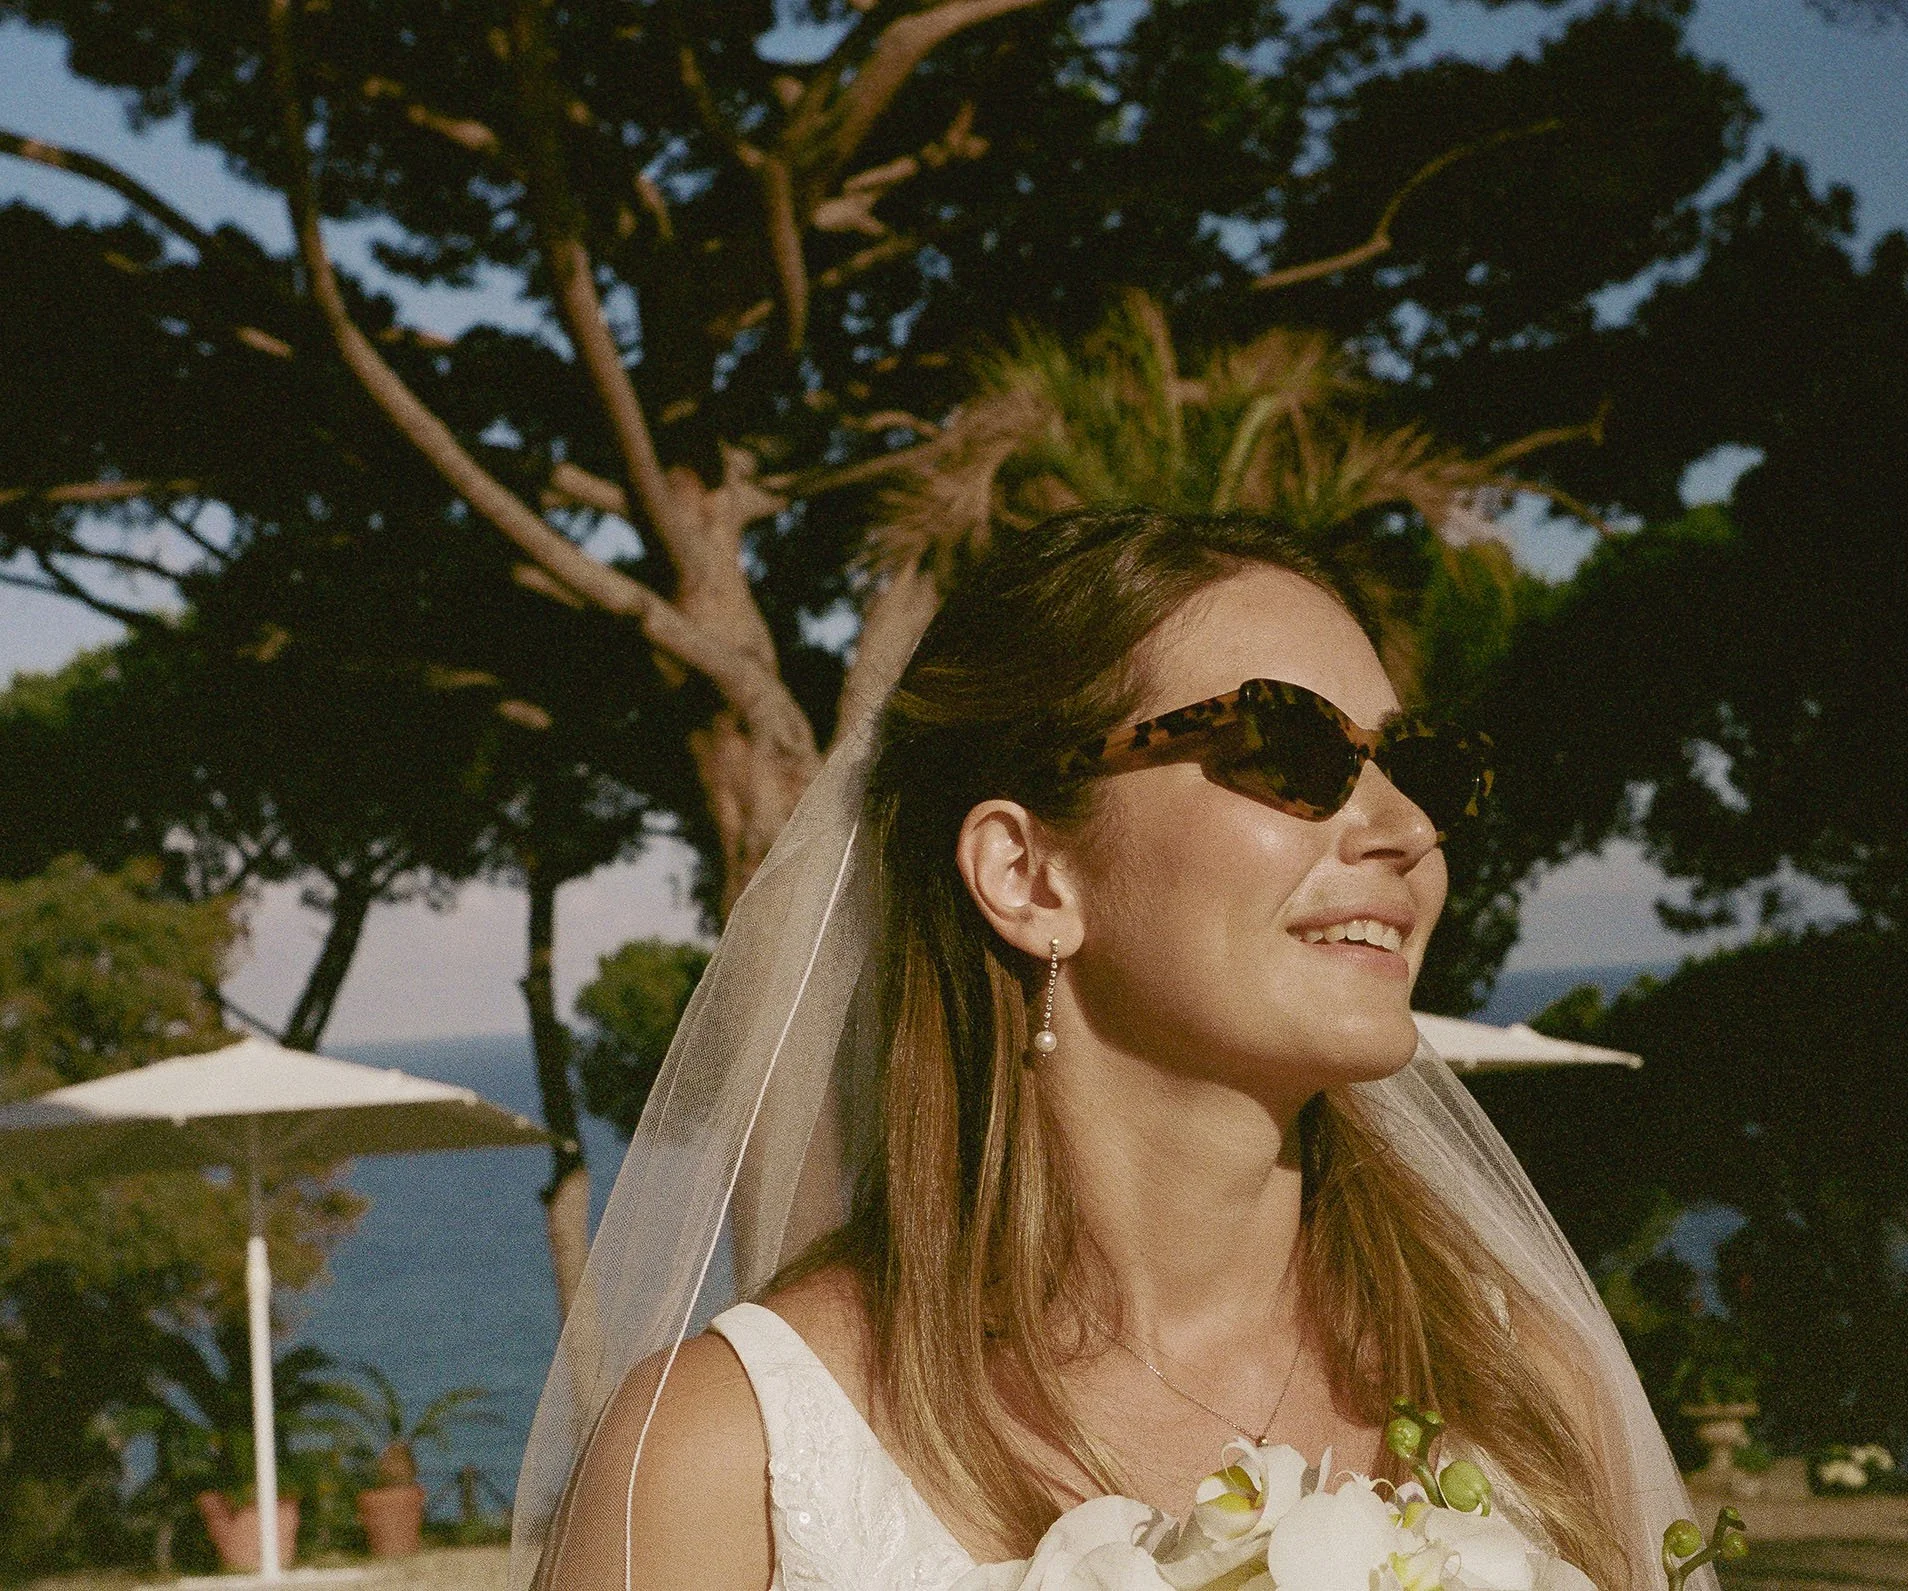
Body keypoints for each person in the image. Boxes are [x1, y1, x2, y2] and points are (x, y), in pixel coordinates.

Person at [512, 508, 1712, 1591]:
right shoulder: (728, 1460)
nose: (1403, 827)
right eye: (1291, 750)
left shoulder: (1524, 1393)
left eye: (1420, 766)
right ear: (1028, 874)